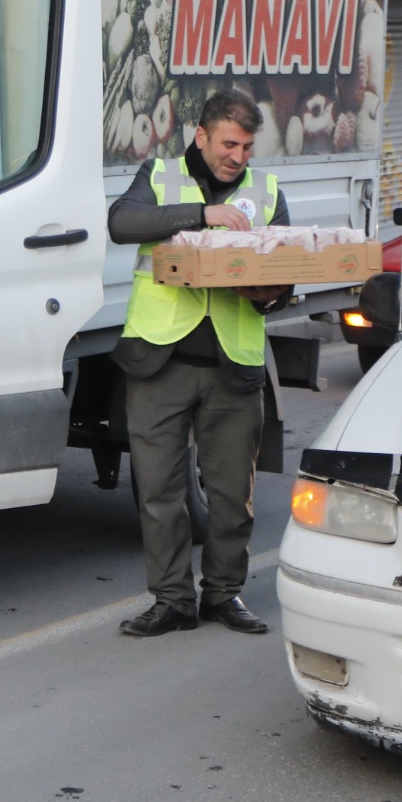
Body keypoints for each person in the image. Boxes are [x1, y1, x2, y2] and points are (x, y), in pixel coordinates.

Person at [106, 91, 292, 638]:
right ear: (201, 136)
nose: (238, 156)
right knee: (160, 493)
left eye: (247, 146)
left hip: (233, 365)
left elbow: (286, 270)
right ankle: (171, 601)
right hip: (160, 361)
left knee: (231, 496)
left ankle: (224, 595)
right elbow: (122, 222)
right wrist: (202, 214)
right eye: (229, 144)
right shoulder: (160, 175)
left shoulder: (267, 191)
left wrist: (270, 295)